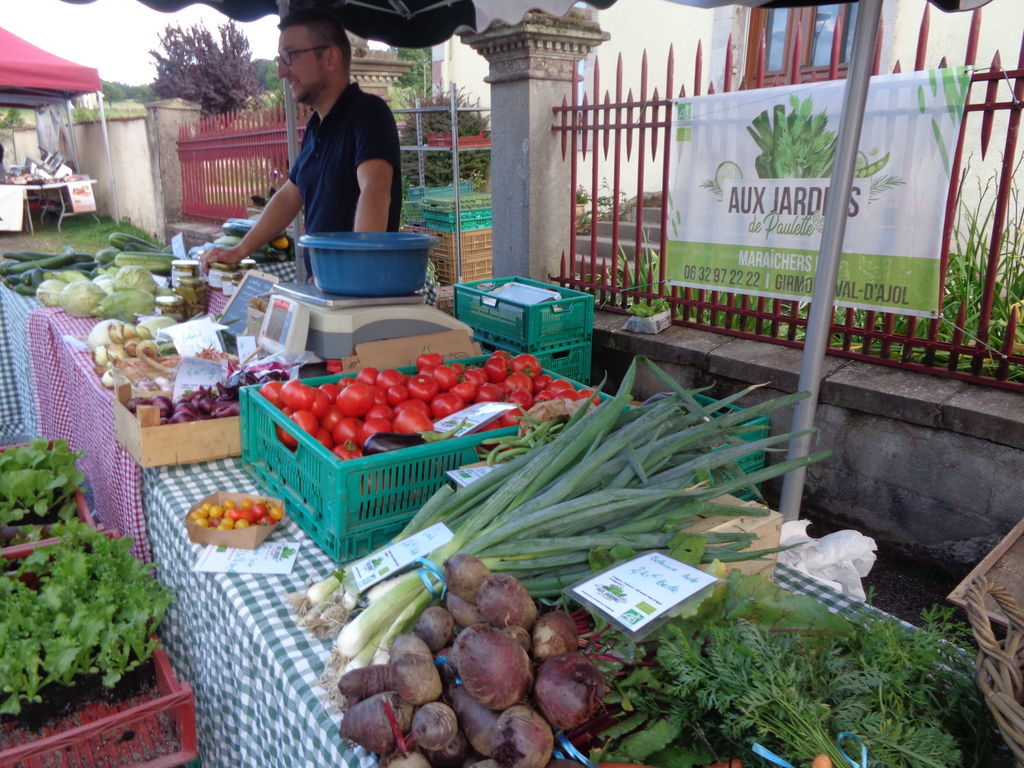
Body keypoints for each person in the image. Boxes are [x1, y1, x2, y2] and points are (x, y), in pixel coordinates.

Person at [201, 8, 402, 275]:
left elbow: (375, 191)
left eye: (290, 56)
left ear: (331, 57)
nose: (282, 71)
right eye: (279, 58)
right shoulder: (315, 125)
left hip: (359, 293)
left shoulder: (368, 113)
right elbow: (289, 196)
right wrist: (238, 251)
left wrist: (357, 273)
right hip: (327, 289)